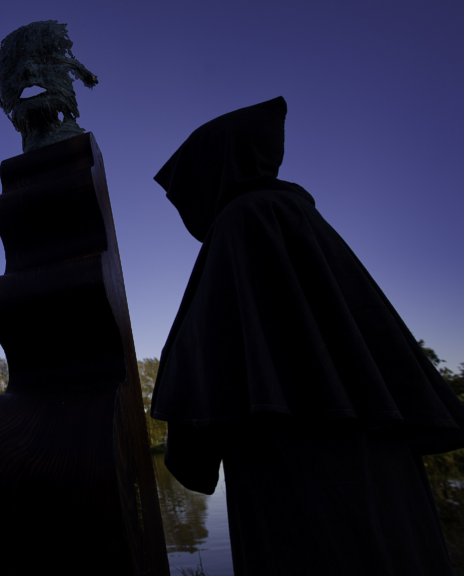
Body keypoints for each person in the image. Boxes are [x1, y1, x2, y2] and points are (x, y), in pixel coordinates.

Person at [150, 97, 464, 575]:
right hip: (378, 460)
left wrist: (188, 446)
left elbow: (205, 351)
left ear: (216, 169)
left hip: (298, 472)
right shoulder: (304, 222)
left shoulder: (242, 223)